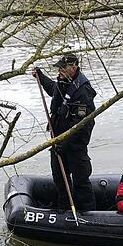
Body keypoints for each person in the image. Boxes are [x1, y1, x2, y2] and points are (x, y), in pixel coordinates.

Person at [32, 54, 97, 211]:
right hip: (58, 143)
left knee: (81, 182)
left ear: (73, 68)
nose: (60, 70)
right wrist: (40, 77)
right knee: (60, 180)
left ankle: (90, 214)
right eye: (59, 67)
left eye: (63, 67)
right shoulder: (63, 83)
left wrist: (65, 143)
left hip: (75, 146)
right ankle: (64, 210)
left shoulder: (83, 91)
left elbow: (81, 125)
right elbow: (52, 89)